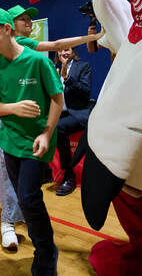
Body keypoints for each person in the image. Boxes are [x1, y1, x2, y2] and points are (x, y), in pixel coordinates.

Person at [0, 7, 64, 276]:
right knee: (22, 196)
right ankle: (38, 236)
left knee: (30, 197)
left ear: (7, 30)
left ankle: (45, 251)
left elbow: (57, 99)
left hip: (35, 142)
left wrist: (46, 133)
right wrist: (15, 107)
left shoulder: (37, 61)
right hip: (9, 141)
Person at [54, 47, 92, 196]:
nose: (63, 53)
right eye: (59, 51)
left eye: (67, 50)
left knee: (57, 128)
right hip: (59, 112)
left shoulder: (83, 66)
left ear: (73, 51)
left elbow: (85, 91)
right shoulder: (54, 69)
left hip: (78, 112)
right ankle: (44, 172)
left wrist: (67, 77)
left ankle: (69, 175)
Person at [7, 5, 105, 52]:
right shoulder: (20, 41)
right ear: (11, 25)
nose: (30, 22)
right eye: (23, 19)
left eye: (29, 19)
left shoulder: (19, 43)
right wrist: (95, 36)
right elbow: (57, 45)